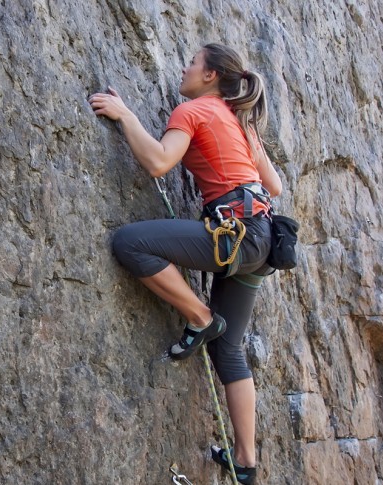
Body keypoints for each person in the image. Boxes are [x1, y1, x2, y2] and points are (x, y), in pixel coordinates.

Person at [88, 43, 283, 485]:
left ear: (210, 76)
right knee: (229, 349)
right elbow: (274, 184)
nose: (185, 67)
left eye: (193, 62)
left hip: (235, 235)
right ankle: (246, 461)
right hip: (261, 238)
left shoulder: (194, 110)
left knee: (130, 243)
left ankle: (199, 316)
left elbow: (159, 161)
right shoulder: (238, 121)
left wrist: (125, 116)